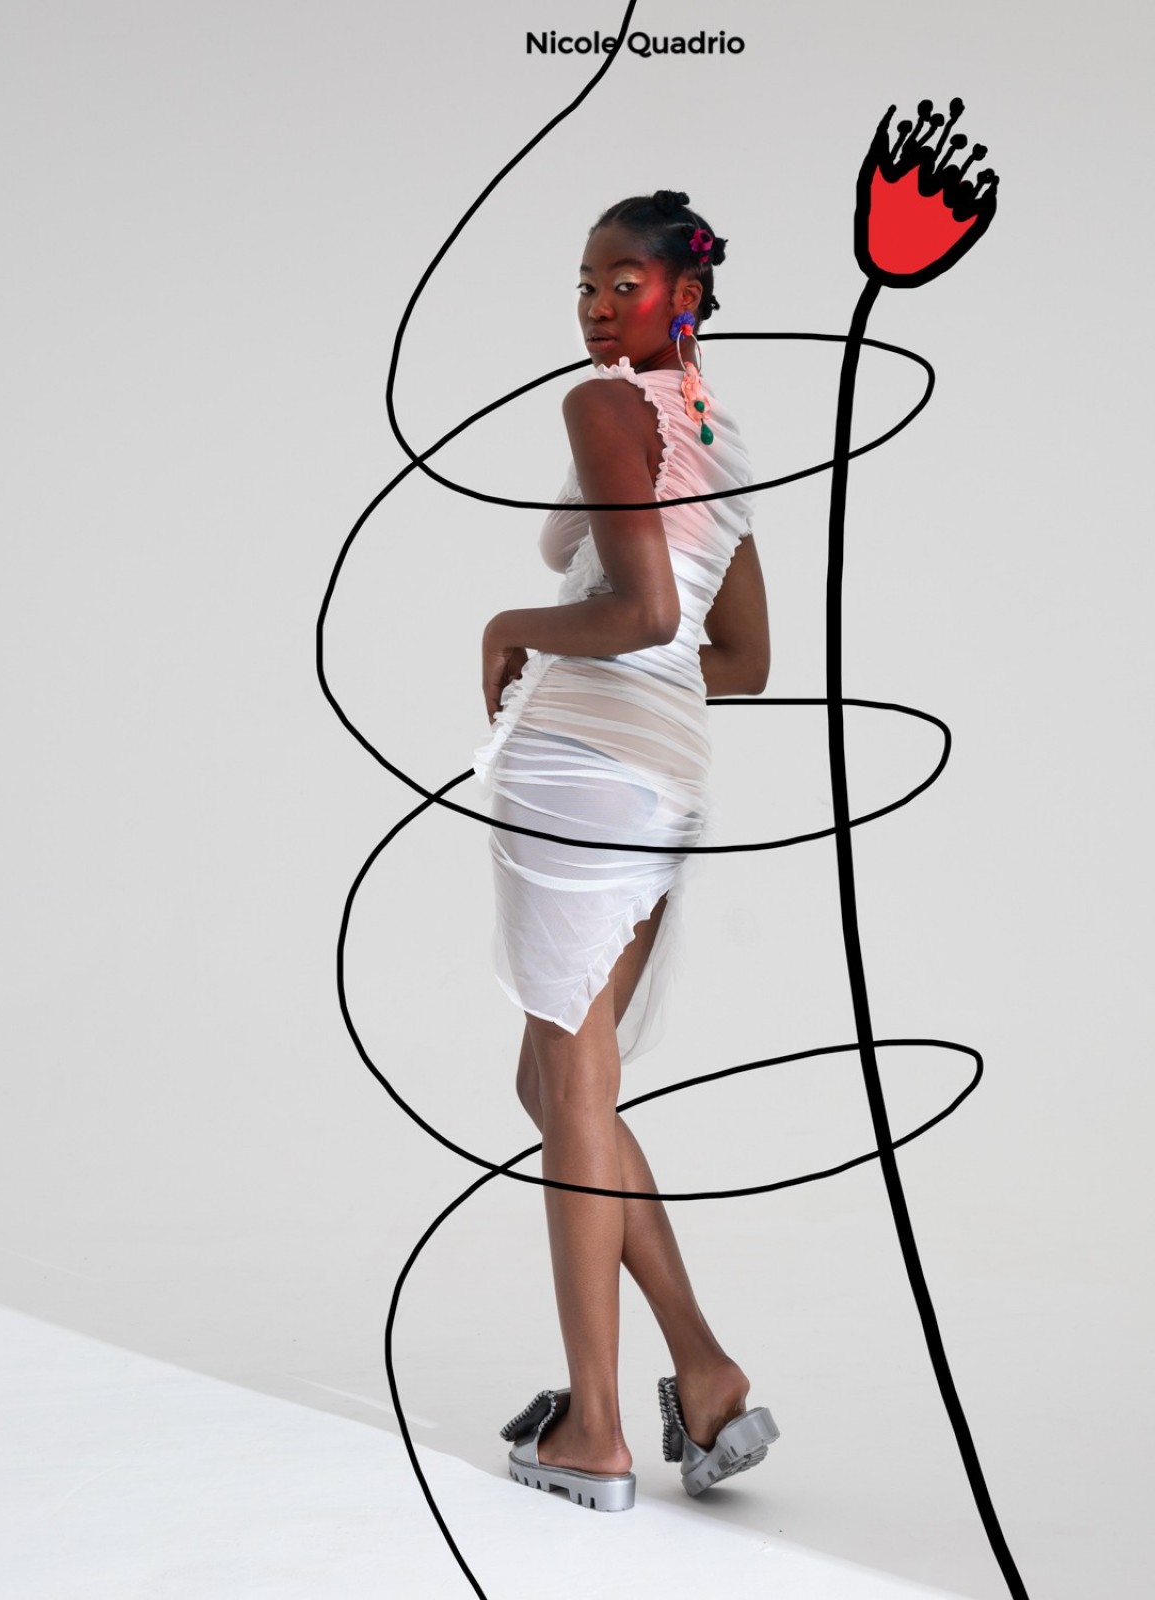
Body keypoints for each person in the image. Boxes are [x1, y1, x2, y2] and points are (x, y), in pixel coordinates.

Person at [473, 190, 777, 1512]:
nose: (599, 308)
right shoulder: (721, 438)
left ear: (684, 295)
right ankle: (702, 1373)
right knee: (558, 1087)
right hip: (664, 778)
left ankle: (595, 1431)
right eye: (586, 285)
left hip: (580, 771)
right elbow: (739, 656)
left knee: (570, 1085)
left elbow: (646, 611)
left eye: (625, 283)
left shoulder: (604, 408)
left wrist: (514, 626)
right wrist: (645, 681)